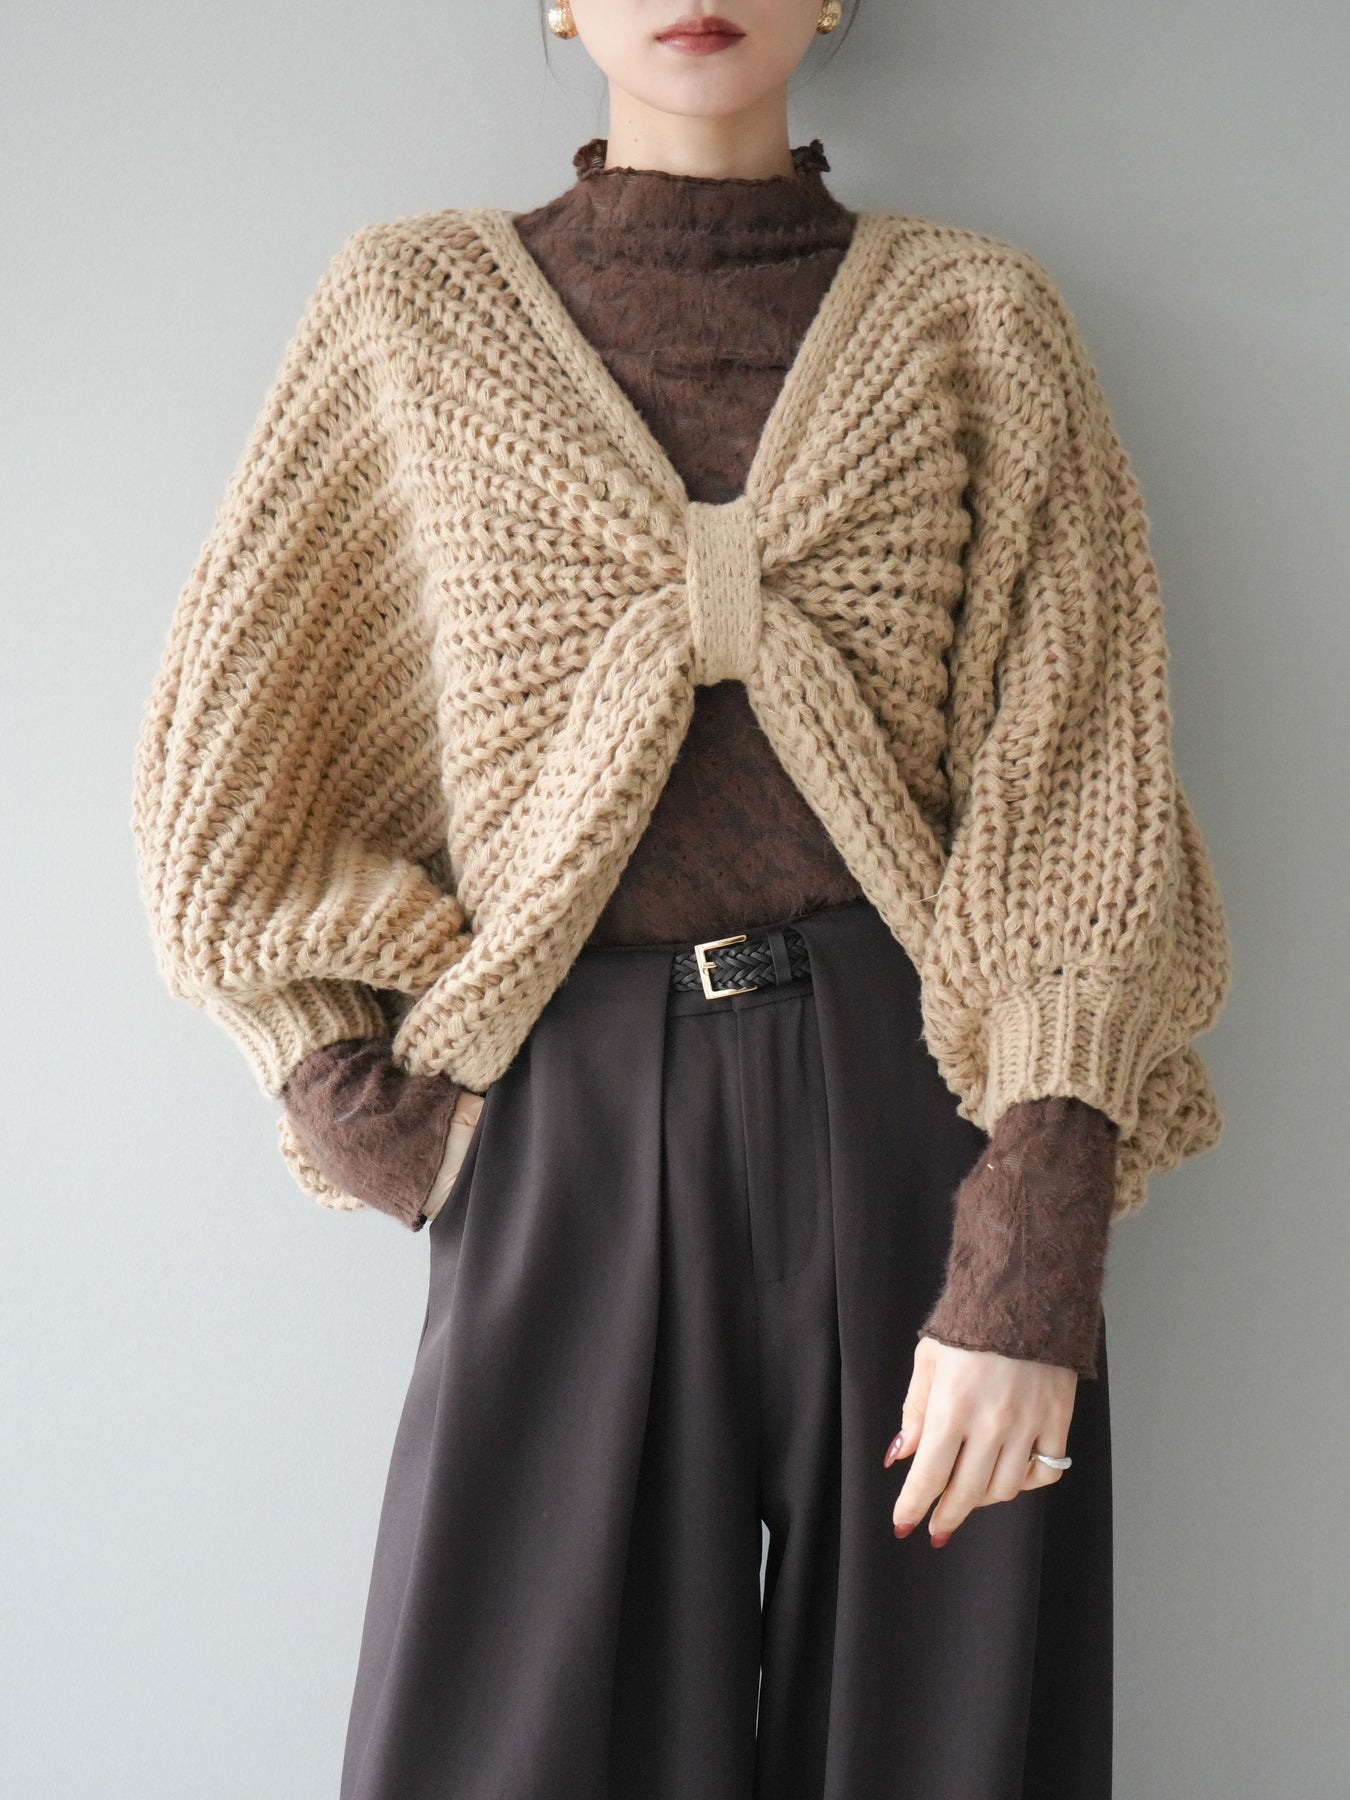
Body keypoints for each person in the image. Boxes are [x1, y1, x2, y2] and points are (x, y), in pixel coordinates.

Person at [130, 3, 1232, 1794]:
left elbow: (1080, 787)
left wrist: (1032, 1254)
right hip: (558, 1125)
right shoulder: (411, 312)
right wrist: (358, 1104)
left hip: (931, 1130)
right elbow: (236, 755)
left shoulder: (978, 319)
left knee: (949, 1749)